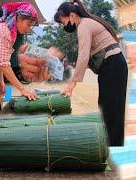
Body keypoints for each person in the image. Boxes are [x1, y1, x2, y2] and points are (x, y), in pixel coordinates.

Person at [54, 0, 128, 146]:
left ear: (72, 16)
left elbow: (83, 55)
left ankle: (111, 146)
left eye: (64, 22)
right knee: (110, 107)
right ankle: (110, 144)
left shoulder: (83, 26)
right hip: (113, 65)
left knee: (111, 109)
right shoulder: (87, 23)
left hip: (113, 65)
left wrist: (73, 82)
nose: (65, 26)